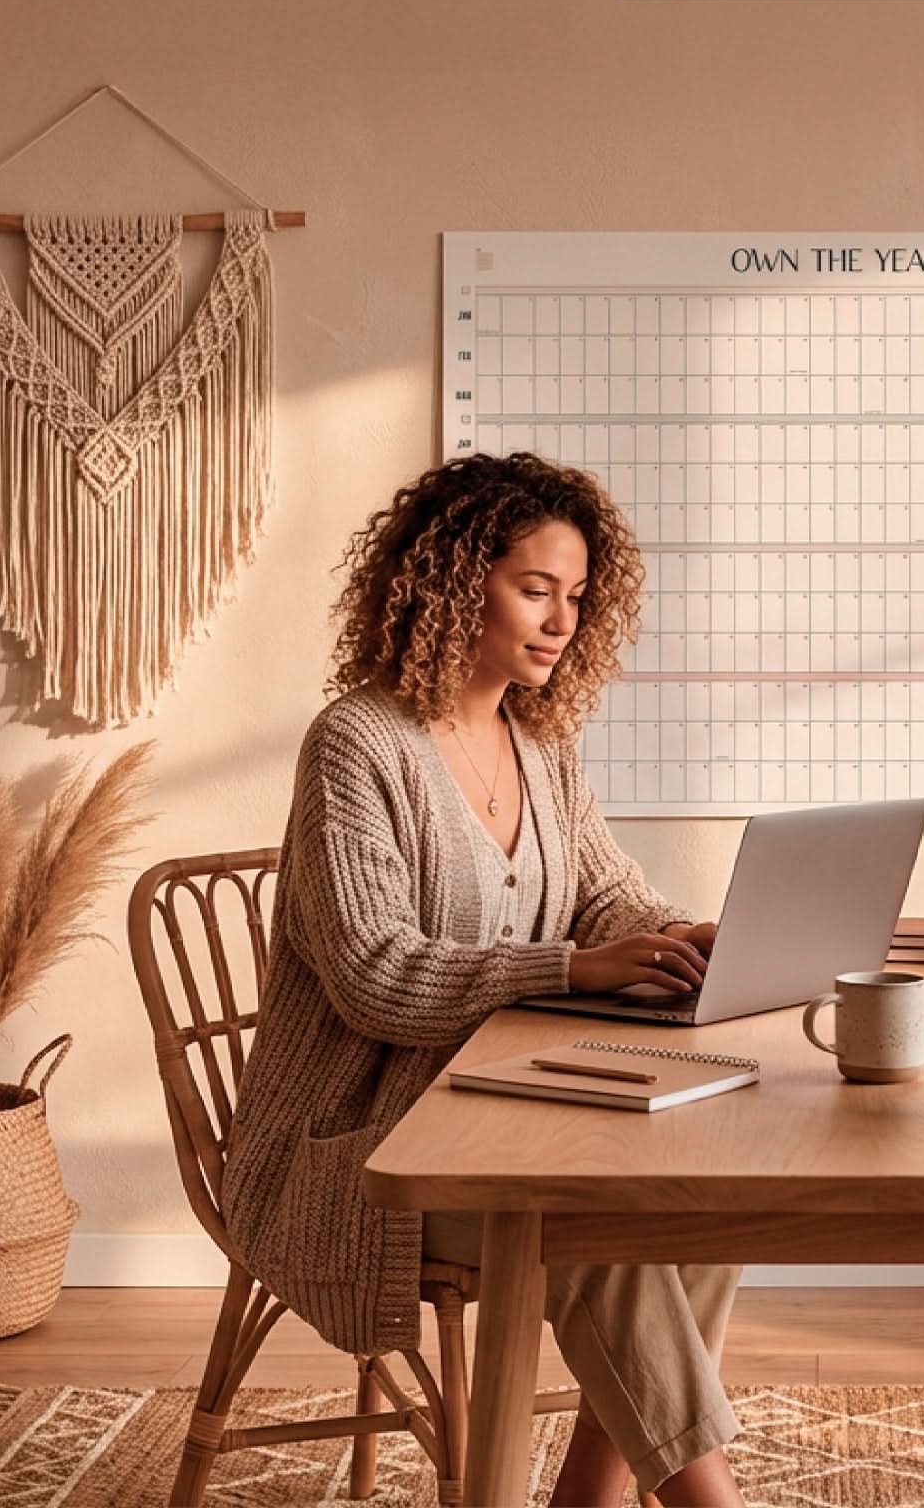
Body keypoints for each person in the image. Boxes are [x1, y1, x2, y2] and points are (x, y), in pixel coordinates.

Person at [222, 452, 744, 1507]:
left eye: (577, 596)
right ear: (454, 580)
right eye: (534, 588)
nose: (560, 619)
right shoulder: (356, 745)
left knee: (701, 1205)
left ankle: (587, 1499)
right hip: (362, 1144)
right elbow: (373, 973)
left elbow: (606, 895)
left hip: (517, 1105)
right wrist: (569, 965)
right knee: (598, 1232)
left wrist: (679, 935)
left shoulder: (539, 741)